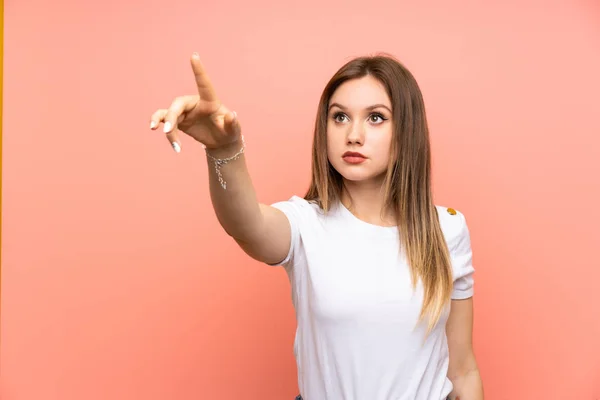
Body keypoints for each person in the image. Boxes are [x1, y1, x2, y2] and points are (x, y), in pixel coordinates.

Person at [149, 52, 484, 400]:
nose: (353, 135)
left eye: (375, 118)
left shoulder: (447, 230)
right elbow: (247, 225)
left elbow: (463, 370)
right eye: (339, 116)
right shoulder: (306, 224)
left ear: (407, 130)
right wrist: (224, 149)